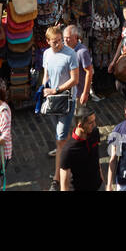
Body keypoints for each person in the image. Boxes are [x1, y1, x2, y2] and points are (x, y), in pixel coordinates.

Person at [40, 25, 80, 185]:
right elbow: (46, 74)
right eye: (55, 42)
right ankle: (69, 157)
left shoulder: (71, 54)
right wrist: (44, 88)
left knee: (60, 139)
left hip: (67, 101)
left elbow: (75, 80)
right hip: (52, 101)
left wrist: (56, 90)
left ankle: (58, 176)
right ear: (48, 41)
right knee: (62, 137)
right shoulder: (46, 54)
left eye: (60, 41)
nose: (59, 44)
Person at [60, 107, 102, 191]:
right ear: (80, 125)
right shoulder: (68, 151)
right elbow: (64, 183)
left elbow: (96, 159)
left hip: (98, 186)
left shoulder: (94, 132)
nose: (94, 125)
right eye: (91, 123)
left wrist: (102, 180)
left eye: (94, 121)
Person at [65, 24, 94, 107]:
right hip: (66, 93)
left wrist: (85, 93)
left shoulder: (82, 52)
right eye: (64, 37)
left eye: (68, 37)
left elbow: (89, 72)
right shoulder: (65, 49)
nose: (66, 40)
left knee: (78, 118)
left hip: (78, 94)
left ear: (75, 37)